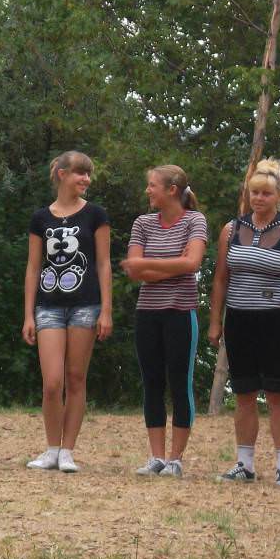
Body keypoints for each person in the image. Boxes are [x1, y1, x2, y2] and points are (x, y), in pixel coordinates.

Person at [209, 159, 280, 487]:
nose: (259, 199)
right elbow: (220, 278)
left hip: (275, 319)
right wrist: (215, 321)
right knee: (244, 393)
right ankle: (245, 463)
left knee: (278, 395)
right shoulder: (231, 229)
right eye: (255, 193)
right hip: (239, 319)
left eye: (266, 193)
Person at [22, 151, 112, 473]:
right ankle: (51, 449)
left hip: (86, 305)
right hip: (48, 306)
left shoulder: (96, 215)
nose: (86, 179)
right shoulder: (40, 218)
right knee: (52, 382)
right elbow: (33, 268)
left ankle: (67, 452)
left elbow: (104, 264)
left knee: (75, 379)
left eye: (88, 174)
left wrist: (106, 310)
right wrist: (28, 315)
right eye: (79, 173)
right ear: (62, 174)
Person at [120, 164, 207, 477]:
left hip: (181, 312)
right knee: (152, 383)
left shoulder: (195, 220)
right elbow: (134, 270)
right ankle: (156, 457)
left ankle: (175, 459)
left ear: (171, 190)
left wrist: (148, 265)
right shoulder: (142, 223)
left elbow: (193, 263)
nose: (147, 190)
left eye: (152, 185)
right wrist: (175, 264)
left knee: (180, 383)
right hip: (147, 312)